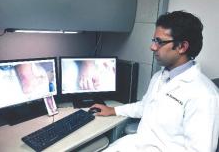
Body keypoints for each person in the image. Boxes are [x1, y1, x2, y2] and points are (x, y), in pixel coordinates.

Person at [91, 11, 219, 152]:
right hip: (135, 145)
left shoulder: (205, 95)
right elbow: (145, 106)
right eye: (154, 41)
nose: (152, 47)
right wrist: (114, 110)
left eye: (159, 42)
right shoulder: (160, 76)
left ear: (182, 47)